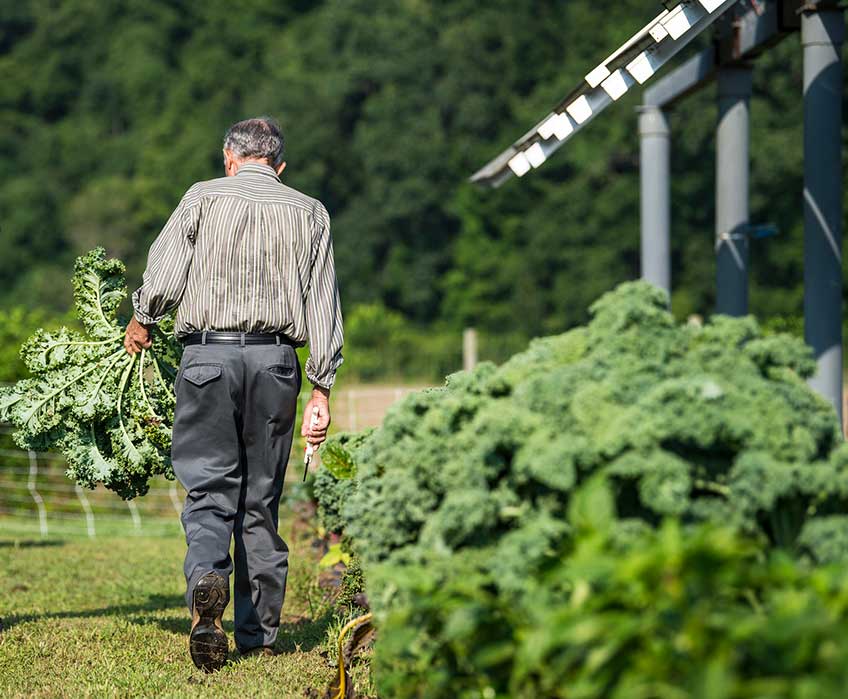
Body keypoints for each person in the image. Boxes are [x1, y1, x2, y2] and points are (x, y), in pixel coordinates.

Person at [123, 116, 343, 672]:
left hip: (207, 359)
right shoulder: (310, 211)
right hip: (275, 362)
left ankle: (206, 581)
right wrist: (321, 386)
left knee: (209, 487)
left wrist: (144, 316)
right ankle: (260, 635)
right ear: (279, 166)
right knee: (261, 497)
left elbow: (167, 270)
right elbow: (324, 305)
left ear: (228, 158)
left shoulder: (201, 197)